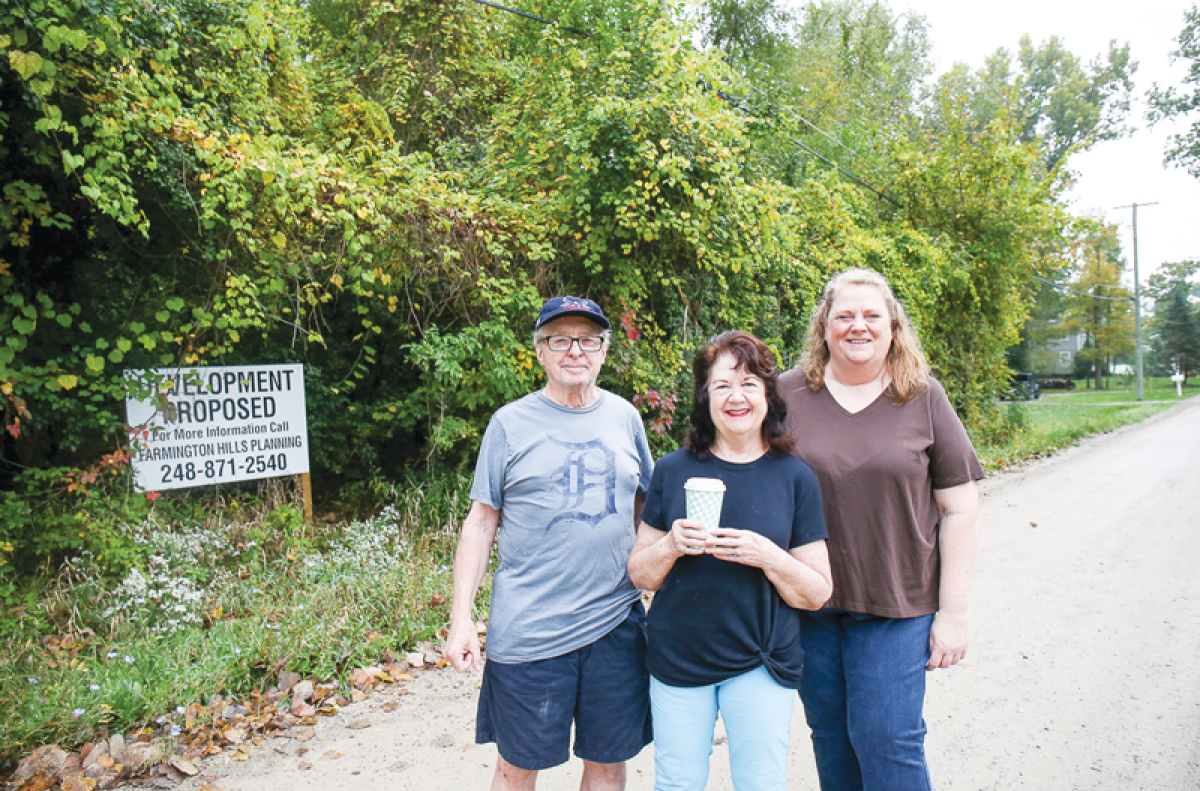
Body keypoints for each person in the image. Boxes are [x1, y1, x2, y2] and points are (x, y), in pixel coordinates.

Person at [778, 269, 983, 791]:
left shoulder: (922, 396)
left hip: (897, 605)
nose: (858, 326)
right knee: (830, 736)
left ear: (893, 326)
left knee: (887, 740)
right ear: (823, 326)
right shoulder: (785, 394)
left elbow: (959, 508)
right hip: (808, 605)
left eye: (872, 316)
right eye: (844, 315)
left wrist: (953, 615)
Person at [443, 295, 655, 791]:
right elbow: (480, 522)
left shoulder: (626, 419)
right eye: (560, 340)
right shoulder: (509, 425)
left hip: (616, 625)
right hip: (529, 632)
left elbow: (647, 509)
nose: (574, 351)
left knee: (608, 764)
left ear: (604, 351)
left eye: (588, 340)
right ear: (540, 352)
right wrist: (461, 621)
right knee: (517, 767)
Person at [628, 330, 833, 791]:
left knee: (760, 783)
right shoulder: (673, 469)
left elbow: (818, 592)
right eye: (722, 386)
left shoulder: (795, 478)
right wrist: (671, 546)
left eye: (748, 384)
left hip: (761, 660)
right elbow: (640, 573)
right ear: (705, 397)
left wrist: (768, 557)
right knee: (677, 782)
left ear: (767, 396)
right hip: (679, 659)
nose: (735, 397)